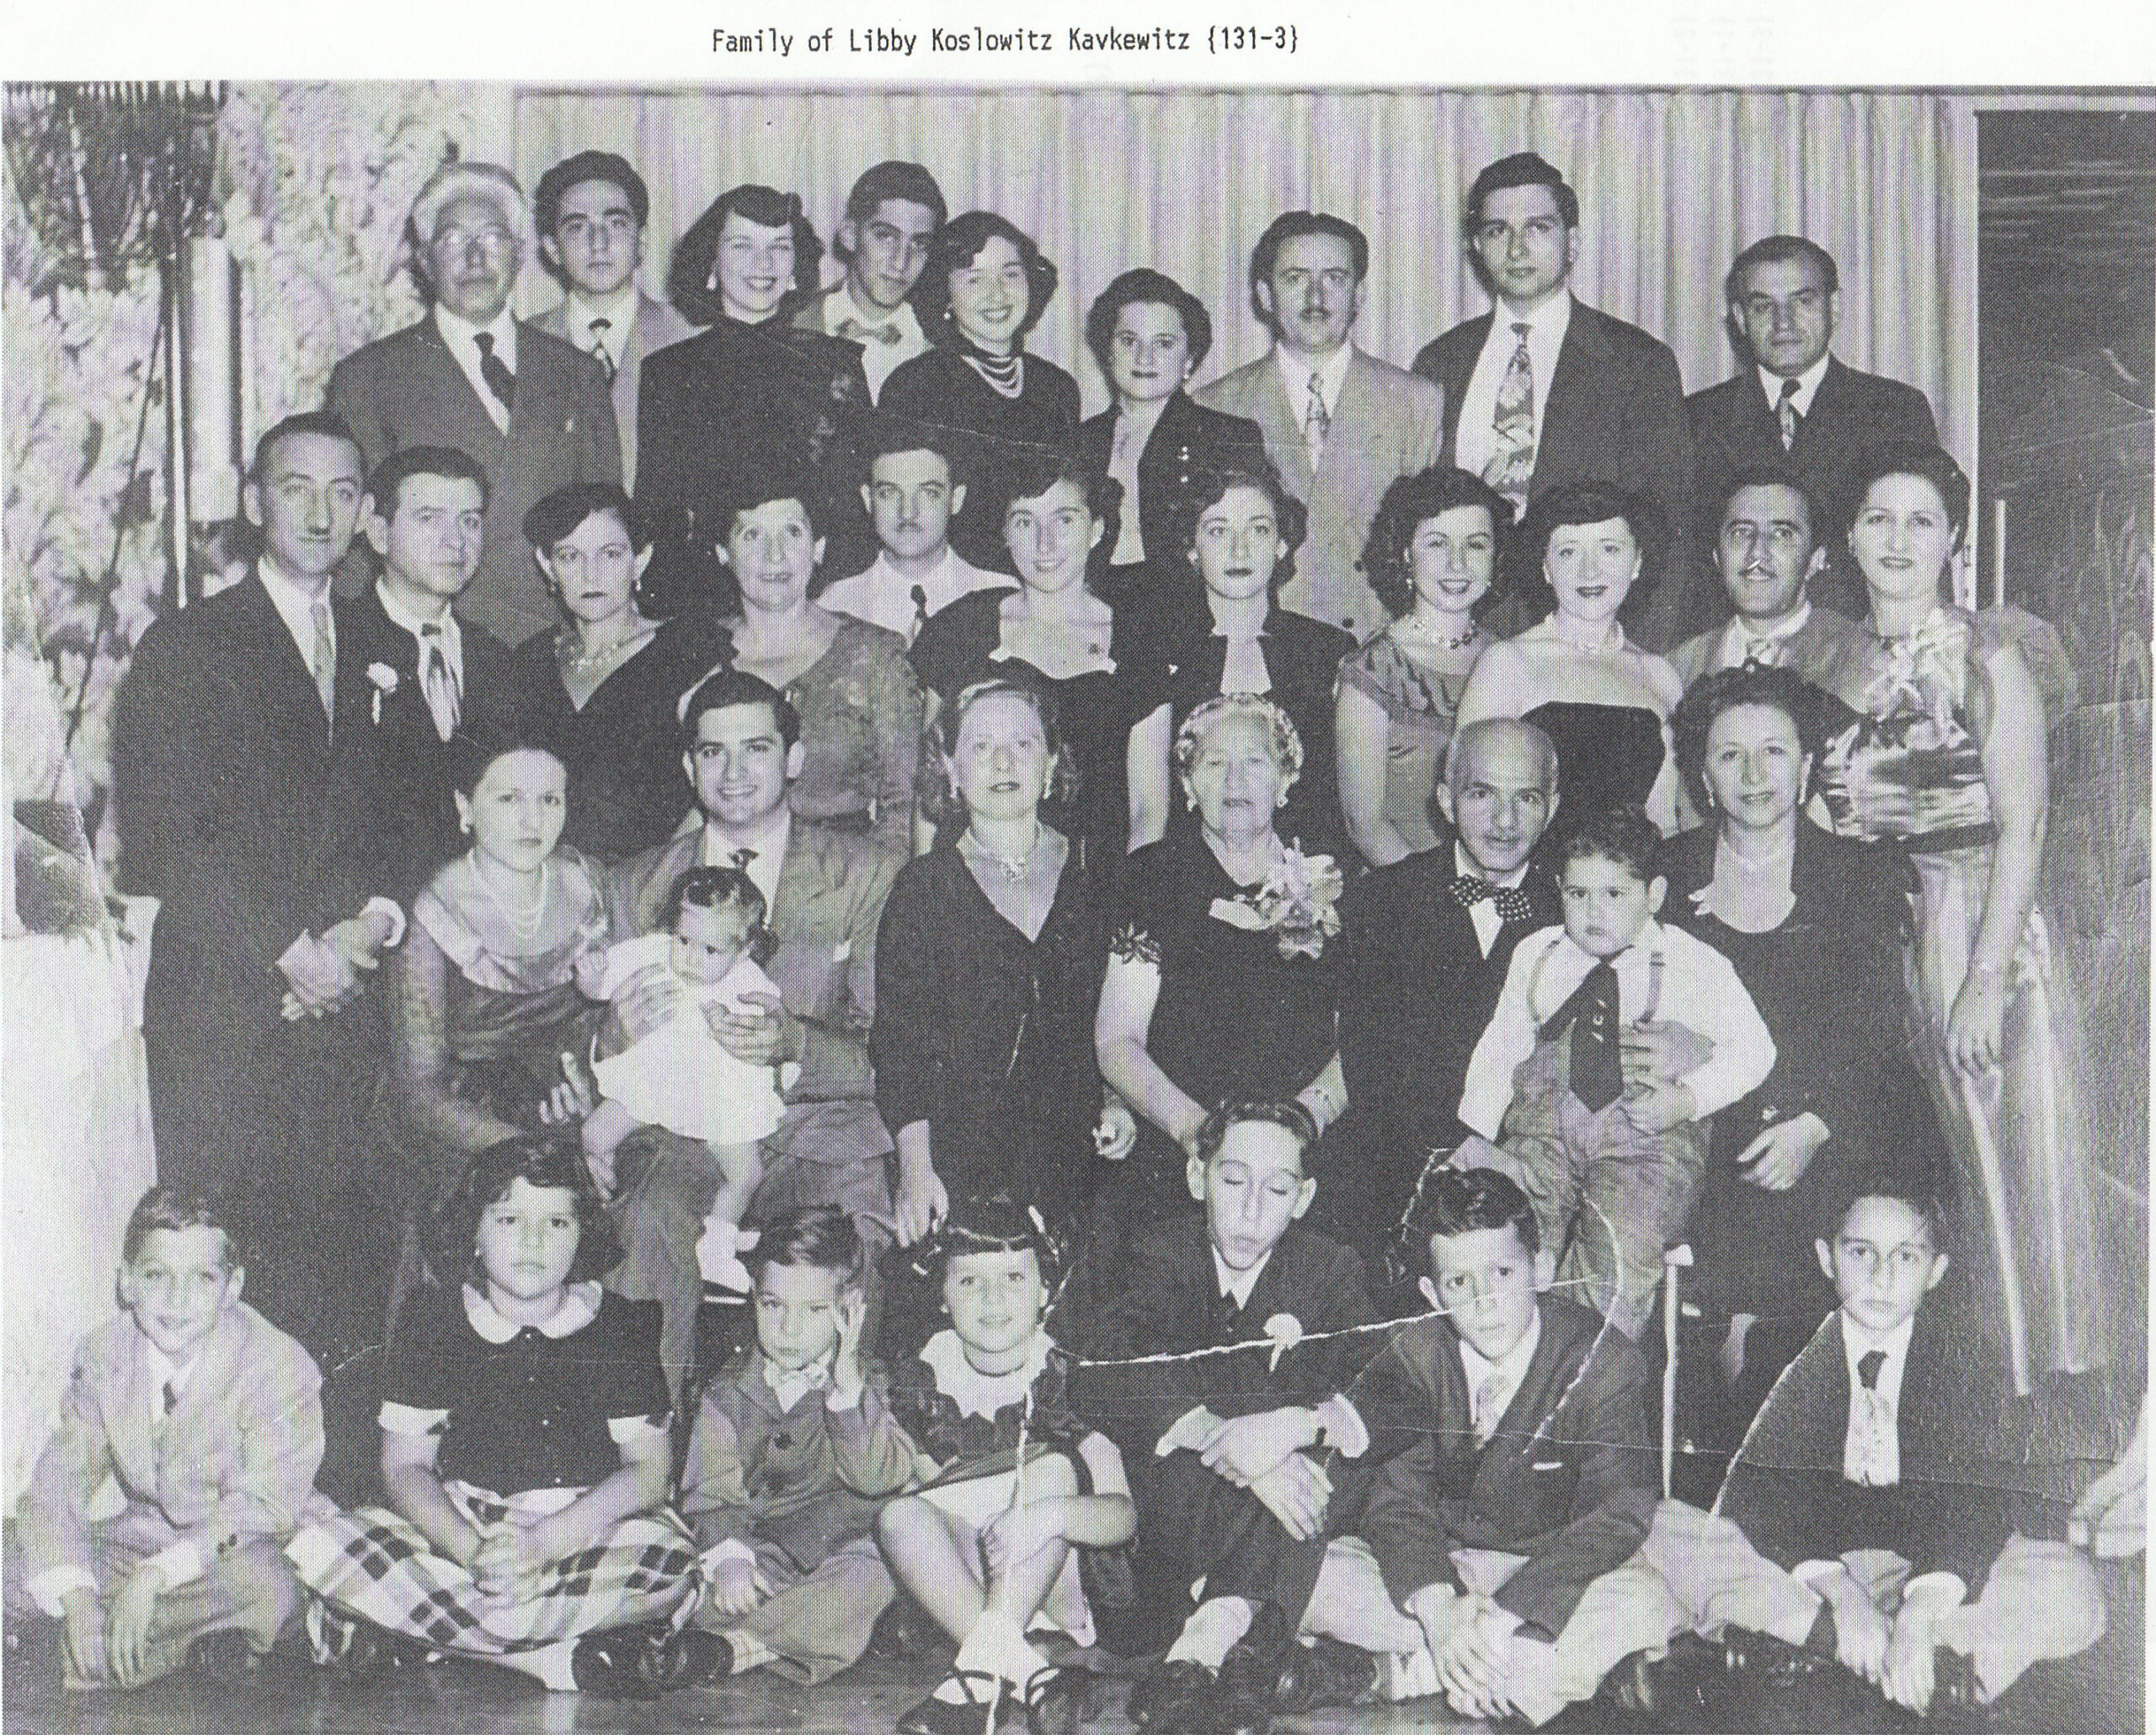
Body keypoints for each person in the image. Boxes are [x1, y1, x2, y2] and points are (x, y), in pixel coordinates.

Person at [1795, 440, 2105, 1399]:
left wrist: (1981, 973)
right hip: (1872, 926)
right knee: (1907, 1169)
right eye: (1877, 519)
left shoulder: (1989, 651)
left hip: (1975, 919)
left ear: (1953, 539)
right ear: (1847, 537)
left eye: (1920, 520)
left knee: (2005, 1163)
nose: (1897, 539)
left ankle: (2030, 1394)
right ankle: (1929, 1400)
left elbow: (2027, 821)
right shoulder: (1826, 658)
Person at [1580, 1173, 2108, 1725]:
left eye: (1905, 1257)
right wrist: (1844, 1599)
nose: (1881, 1277)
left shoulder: (1965, 1361)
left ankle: (1896, 1663)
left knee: (2070, 1587)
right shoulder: (1780, 1346)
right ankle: (1892, 1669)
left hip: (1926, 1573)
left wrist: (1920, 1616)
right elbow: (1765, 1497)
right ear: (1828, 1259)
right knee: (1662, 1526)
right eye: (1861, 1252)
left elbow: (1972, 1503)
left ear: (1937, 1272)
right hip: (1810, 1577)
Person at [114, 410, 402, 1371]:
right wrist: (293, 951)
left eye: (344, 491)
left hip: (347, 1002)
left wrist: (366, 928)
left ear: (365, 512)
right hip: (226, 1008)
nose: (321, 511)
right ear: (253, 505)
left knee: (340, 1259)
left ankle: (331, 1490)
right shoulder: (189, 647)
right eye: (296, 487)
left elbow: (408, 816)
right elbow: (172, 835)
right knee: (230, 1254)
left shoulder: (379, 642)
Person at [286, 1137, 702, 1697]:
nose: (533, 1240)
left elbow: (651, 1470)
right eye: (509, 1219)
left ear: (582, 1236)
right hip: (462, 1536)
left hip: (579, 1533)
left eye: (556, 1223)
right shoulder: (432, 1321)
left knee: (671, 1562)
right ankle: (551, 1662)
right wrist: (477, 1554)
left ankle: (436, 1638)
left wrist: (541, 1546)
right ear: (474, 1234)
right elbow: (406, 1466)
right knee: (330, 1545)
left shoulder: (618, 1328)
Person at [1657, 665, 1933, 1463]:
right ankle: (1716, 1433)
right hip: (1711, 1119)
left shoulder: (1860, 874)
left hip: (1836, 1118)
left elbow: (1879, 1028)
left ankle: (1810, 1440)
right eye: (1729, 756)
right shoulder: (1665, 877)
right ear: (1701, 774)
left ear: (1807, 767)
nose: (1753, 776)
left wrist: (1813, 1123)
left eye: (1773, 753)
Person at [598, 670, 900, 1399]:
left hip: (818, 1128)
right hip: (686, 1132)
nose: (734, 773)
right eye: (712, 753)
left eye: (757, 749)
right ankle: (650, 1449)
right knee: (644, 1220)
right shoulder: (636, 884)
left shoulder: (868, 871)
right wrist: (616, 1031)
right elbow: (598, 1035)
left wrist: (794, 1042)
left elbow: (892, 1050)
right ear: (688, 766)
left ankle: (834, 1463)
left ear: (793, 759)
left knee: (849, 1255)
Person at [1275, 1166, 1655, 1727]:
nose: (1486, 1300)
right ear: (1431, 1294)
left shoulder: (1604, 1359)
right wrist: (1440, 1610)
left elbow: (1618, 1512)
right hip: (1442, 1568)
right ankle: (1505, 1675)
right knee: (1309, 1572)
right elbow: (1399, 1505)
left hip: (1546, 1573)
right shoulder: (1414, 1354)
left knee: (1640, 1599)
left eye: (1503, 1271)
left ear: (1542, 1271)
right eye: (1459, 1284)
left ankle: (1403, 1673)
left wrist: (1503, 1616)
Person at [1072, 1101, 1379, 1735]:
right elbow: (1100, 1371)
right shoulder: (1157, 1253)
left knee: (1332, 1452)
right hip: (1178, 1538)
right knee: (1224, 1456)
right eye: (1233, 1181)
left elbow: (1386, 1385)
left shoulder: (1332, 1269)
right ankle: (1247, 1639)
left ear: (1305, 1198)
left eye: (1277, 1188)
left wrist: (1293, 1426)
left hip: (1272, 1519)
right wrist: (1231, 1446)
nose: (1250, 1209)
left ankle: (1206, 1646)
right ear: (1196, 1177)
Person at [1455, 804, 1776, 1337]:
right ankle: (1512, 1372)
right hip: (1543, 1135)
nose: (1592, 913)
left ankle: (1582, 1388)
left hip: (1647, 1141)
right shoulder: (1539, 954)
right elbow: (1501, 1046)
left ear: (1652, 896)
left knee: (1618, 1267)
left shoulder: (1694, 963)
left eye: (1613, 896)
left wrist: (1688, 1099)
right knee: (1509, 1243)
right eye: (1577, 895)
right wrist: (1477, 1134)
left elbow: (1756, 1050)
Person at [1093, 697, 1349, 1294]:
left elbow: (1362, 1041)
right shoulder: (1151, 880)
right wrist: (1202, 1138)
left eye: (1256, 763)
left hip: (1305, 1151)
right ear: (1186, 784)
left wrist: (1299, 1129)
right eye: (1212, 765)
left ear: (1286, 781)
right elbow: (1117, 1039)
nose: (1235, 781)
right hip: (1180, 1151)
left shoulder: (1333, 884)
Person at [17, 1188, 321, 1691]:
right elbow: (62, 1479)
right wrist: (76, 1594)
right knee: (14, 1547)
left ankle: (86, 1658)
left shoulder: (278, 1365)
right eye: (158, 1276)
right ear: (127, 1282)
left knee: (271, 1589)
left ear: (233, 1287)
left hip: (226, 1550)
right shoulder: (104, 1354)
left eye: (202, 1279)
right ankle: (139, 1647)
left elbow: (267, 1505)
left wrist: (158, 1576)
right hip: (134, 1541)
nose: (177, 1302)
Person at [327, 161, 621, 646]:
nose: (475, 256)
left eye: (492, 237)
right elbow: (355, 549)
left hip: (553, 656)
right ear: (423, 260)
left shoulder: (577, 373)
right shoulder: (370, 377)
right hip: (430, 652)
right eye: (453, 240)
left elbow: (607, 531)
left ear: (522, 253)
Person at [1412, 153, 1695, 649]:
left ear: (1572, 242)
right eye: (1499, 231)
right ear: (1477, 246)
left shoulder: (1635, 361)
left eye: (1538, 228)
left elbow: (1666, 527)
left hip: (1587, 642)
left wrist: (1641, 657)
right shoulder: (1441, 361)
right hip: (1459, 635)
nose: (1517, 248)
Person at [375, 725, 610, 1319]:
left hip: (562, 1106)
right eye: (509, 799)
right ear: (465, 809)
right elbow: (418, 1088)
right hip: (460, 1118)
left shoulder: (588, 883)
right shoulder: (435, 912)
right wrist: (530, 1152)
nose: (532, 820)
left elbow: (613, 1018)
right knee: (492, 1216)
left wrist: (590, 1096)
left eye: (549, 800)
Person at [879, 1197, 1137, 1735]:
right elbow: (918, 1511)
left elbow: (1123, 1516)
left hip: (1059, 1585)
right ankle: (1027, 1673)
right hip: (961, 1592)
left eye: (1015, 1279)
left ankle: (977, 1672)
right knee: (896, 1516)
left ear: (1046, 1291)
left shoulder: (1070, 1378)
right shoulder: (921, 1382)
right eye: (971, 1282)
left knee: (1053, 1473)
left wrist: (1053, 1517)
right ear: (943, 1297)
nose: (993, 1299)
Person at [872, 677, 1115, 1247]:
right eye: (981, 747)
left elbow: (1121, 1011)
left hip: (1084, 1154)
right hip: (963, 1161)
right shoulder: (923, 889)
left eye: (1024, 745)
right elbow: (901, 1048)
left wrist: (1119, 1101)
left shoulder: (1094, 874)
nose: (1004, 762)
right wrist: (915, 1169)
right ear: (950, 769)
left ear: (1053, 763)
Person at [1332, 718, 1564, 1273]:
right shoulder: (1384, 899)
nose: (1505, 821)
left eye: (1526, 797)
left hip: (1525, 1186)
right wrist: (1459, 1147)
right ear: (1445, 799)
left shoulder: (1573, 912)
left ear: (1551, 807)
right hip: (1399, 1177)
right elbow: (1369, 1063)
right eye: (1482, 794)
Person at [674, 1205, 916, 1687]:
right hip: (766, 1556)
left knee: (872, 1577)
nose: (787, 1329)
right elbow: (713, 1493)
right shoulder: (727, 1392)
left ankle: (738, 1649)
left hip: (848, 1550)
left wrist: (846, 1395)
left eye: (813, 1310)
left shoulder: (875, 1385)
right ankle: (791, 1634)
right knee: (695, 1582)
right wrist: (732, 1558)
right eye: (772, 1305)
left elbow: (879, 1478)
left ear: (849, 1311)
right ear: (753, 1300)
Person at [1194, 211, 1444, 638]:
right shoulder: (1215, 404)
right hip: (1258, 649)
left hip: (1376, 649)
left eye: (1334, 278)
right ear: (1265, 296)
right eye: (1295, 278)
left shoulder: (1416, 401)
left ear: (1359, 294)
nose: (1316, 296)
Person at [635, 184, 874, 612]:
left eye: (779, 247)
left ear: (797, 267)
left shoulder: (838, 366)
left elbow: (855, 512)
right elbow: (659, 513)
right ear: (710, 266)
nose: (762, 264)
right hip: (702, 605)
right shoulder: (669, 373)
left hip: (819, 601)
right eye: (742, 245)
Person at [1689, 236, 1941, 620]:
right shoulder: (1698, 418)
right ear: (1739, 319)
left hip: (1860, 652)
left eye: (1802, 302)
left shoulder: (1894, 410)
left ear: (1833, 308)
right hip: (1739, 659)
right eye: (1763, 306)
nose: (1783, 322)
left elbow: (1926, 553)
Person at [908, 453, 1131, 875]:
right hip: (972, 875)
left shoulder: (1135, 638)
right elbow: (931, 791)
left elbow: (1147, 807)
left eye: (1064, 520)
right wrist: (930, 889)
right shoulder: (961, 629)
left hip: (1093, 878)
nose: (1045, 545)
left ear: (1096, 531)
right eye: (1025, 522)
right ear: (1006, 535)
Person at [1124, 462, 1355, 862]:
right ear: (1192, 548)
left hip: (1312, 882)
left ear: (1281, 544)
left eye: (1259, 529)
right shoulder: (1156, 653)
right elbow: (1149, 816)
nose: (1240, 549)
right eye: (1218, 531)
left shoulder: (1327, 650)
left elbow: (1340, 808)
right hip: (1192, 885)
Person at [577, 866, 786, 1298]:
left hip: (716, 1092)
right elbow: (601, 987)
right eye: (683, 940)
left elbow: (772, 1026)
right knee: (594, 1133)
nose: (690, 957)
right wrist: (592, 974)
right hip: (652, 1078)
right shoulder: (653, 952)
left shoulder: (747, 981)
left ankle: (719, 1242)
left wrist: (742, 1022)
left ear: (743, 949)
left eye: (709, 950)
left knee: (745, 1172)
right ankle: (594, 1201)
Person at [510, 482, 734, 861]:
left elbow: (719, 789)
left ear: (641, 559)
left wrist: (655, 883)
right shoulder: (530, 662)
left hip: (653, 886)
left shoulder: (686, 651)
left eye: (610, 554)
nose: (590, 575)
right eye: (570, 556)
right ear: (547, 565)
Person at [1453, 481, 1687, 835]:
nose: (1590, 570)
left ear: (1637, 561)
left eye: (1609, 549)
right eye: (1568, 552)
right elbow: (1469, 804)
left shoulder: (1660, 675)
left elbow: (1666, 821)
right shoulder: (1507, 663)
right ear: (1545, 568)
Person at [344, 444, 521, 904]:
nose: (455, 542)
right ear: (379, 533)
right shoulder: (339, 645)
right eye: (429, 519)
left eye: (470, 520)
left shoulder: (497, 659)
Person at [716, 471, 922, 856]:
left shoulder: (877, 655)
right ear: (724, 554)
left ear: (818, 548)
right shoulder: (699, 654)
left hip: (848, 884)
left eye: (792, 533)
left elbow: (905, 807)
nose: (775, 556)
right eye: (752, 536)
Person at [881, 212, 1082, 574]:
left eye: (1010, 274)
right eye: (975, 279)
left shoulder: (1056, 387)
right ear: (945, 295)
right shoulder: (915, 386)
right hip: (956, 586)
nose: (998, 294)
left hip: (1045, 578)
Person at [1335, 466, 1513, 862]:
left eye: (1476, 545)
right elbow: (1364, 823)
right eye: (1437, 544)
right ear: (1406, 557)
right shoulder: (1371, 671)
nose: (1457, 564)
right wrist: (1437, 905)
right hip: (1407, 897)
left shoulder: (1510, 660)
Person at [1076, 267, 1267, 614]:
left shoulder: (1227, 437)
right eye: (1129, 341)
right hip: (1091, 615)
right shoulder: (1081, 440)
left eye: (1163, 343)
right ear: (1108, 351)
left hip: (1189, 617)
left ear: (1189, 358)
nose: (1144, 358)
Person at [531, 150, 696, 488]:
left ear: (642, 240)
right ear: (552, 248)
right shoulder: (523, 345)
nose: (599, 243)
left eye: (616, 223)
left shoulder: (689, 338)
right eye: (577, 227)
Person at [1664, 466, 1871, 691]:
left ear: (1815, 560)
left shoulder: (1863, 658)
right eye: (1741, 532)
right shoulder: (1675, 670)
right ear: (1717, 558)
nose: (1757, 553)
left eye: (1782, 534)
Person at [814, 420, 1004, 646]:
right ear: (868, 500)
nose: (907, 511)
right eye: (889, 492)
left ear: (956, 499)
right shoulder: (835, 605)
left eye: (929, 493)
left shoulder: (999, 596)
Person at [792, 161, 947, 401]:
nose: (900, 263)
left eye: (919, 244)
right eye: (885, 236)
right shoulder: (792, 325)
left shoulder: (944, 345)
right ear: (850, 235)